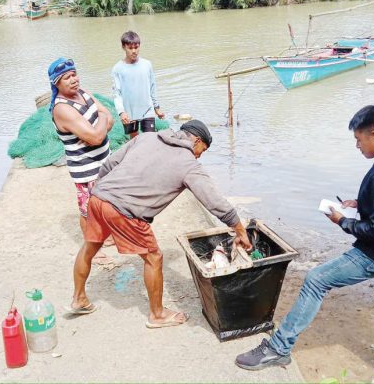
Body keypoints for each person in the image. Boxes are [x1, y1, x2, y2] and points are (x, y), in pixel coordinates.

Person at [235, 105, 374, 376]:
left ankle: (278, 349)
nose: (357, 146)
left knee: (316, 280)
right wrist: (361, 203)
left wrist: (343, 221)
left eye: (359, 140)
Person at [66, 120, 253, 329]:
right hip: (125, 211)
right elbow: (213, 200)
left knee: (90, 246)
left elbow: (110, 164)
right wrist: (238, 228)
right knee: (154, 257)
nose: (200, 155)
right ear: (197, 140)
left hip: (98, 197)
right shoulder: (189, 164)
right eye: (203, 150)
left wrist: (102, 190)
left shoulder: (146, 138)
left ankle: (79, 298)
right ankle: (157, 314)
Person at [49, 57, 115, 265]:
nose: (73, 79)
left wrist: (100, 123)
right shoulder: (62, 108)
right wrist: (101, 119)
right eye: (66, 78)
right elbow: (95, 137)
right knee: (88, 210)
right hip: (86, 169)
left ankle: (107, 236)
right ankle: (91, 249)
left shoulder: (83, 93)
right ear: (56, 83)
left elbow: (110, 120)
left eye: (74, 74)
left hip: (104, 160)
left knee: (106, 203)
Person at [111, 31, 165, 139]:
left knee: (149, 140)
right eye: (130, 48)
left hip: (147, 110)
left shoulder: (147, 64)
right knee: (134, 141)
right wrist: (121, 112)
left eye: (136, 47)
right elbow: (117, 94)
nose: (134, 51)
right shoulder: (117, 69)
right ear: (123, 47)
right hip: (129, 112)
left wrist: (157, 107)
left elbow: (152, 87)